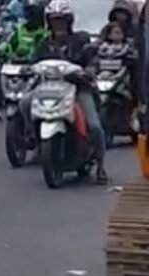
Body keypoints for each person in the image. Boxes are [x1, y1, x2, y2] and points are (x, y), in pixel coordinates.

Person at [33, 0, 109, 182]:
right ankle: (37, 144)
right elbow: (33, 62)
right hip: (49, 90)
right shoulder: (44, 44)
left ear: (69, 22)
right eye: (55, 20)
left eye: (62, 20)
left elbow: (92, 59)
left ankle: (100, 166)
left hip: (78, 89)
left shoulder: (80, 40)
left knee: (94, 125)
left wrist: (90, 70)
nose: (58, 24)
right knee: (25, 104)